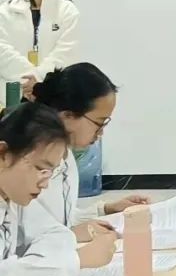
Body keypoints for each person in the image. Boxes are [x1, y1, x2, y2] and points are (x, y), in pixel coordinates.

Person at [0, 103, 116, 276]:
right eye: (40, 169)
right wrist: (75, 260)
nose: (45, 184)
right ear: (3, 154)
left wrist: (32, 269)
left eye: (51, 172)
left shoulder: (12, 195)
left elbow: (57, 233)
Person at [27, 64, 149, 239]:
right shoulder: (28, 162)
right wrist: (71, 236)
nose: (101, 133)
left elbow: (62, 219)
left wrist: (106, 209)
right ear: (67, 115)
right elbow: (20, 239)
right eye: (99, 123)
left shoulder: (65, 156)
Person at [0, 0, 79, 105]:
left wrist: (39, 79)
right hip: (12, 91)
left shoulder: (67, 10)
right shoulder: (5, 11)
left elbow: (66, 52)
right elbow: (2, 49)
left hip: (52, 91)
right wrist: (28, 79)